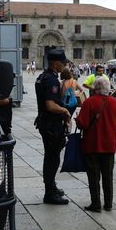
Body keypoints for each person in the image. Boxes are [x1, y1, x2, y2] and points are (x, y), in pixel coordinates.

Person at [76, 77, 116, 213]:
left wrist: (77, 119)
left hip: (92, 144)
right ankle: (108, 204)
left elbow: (83, 123)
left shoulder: (89, 102)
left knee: (94, 176)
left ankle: (95, 203)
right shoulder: (114, 102)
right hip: (109, 145)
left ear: (95, 88)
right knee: (108, 176)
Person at [34, 49, 71, 205]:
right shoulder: (51, 80)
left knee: (50, 157)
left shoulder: (42, 77)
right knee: (52, 159)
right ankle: (50, 193)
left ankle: (52, 186)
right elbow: (50, 105)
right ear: (56, 63)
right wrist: (65, 111)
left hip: (46, 123)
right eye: (63, 63)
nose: (65, 65)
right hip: (51, 125)